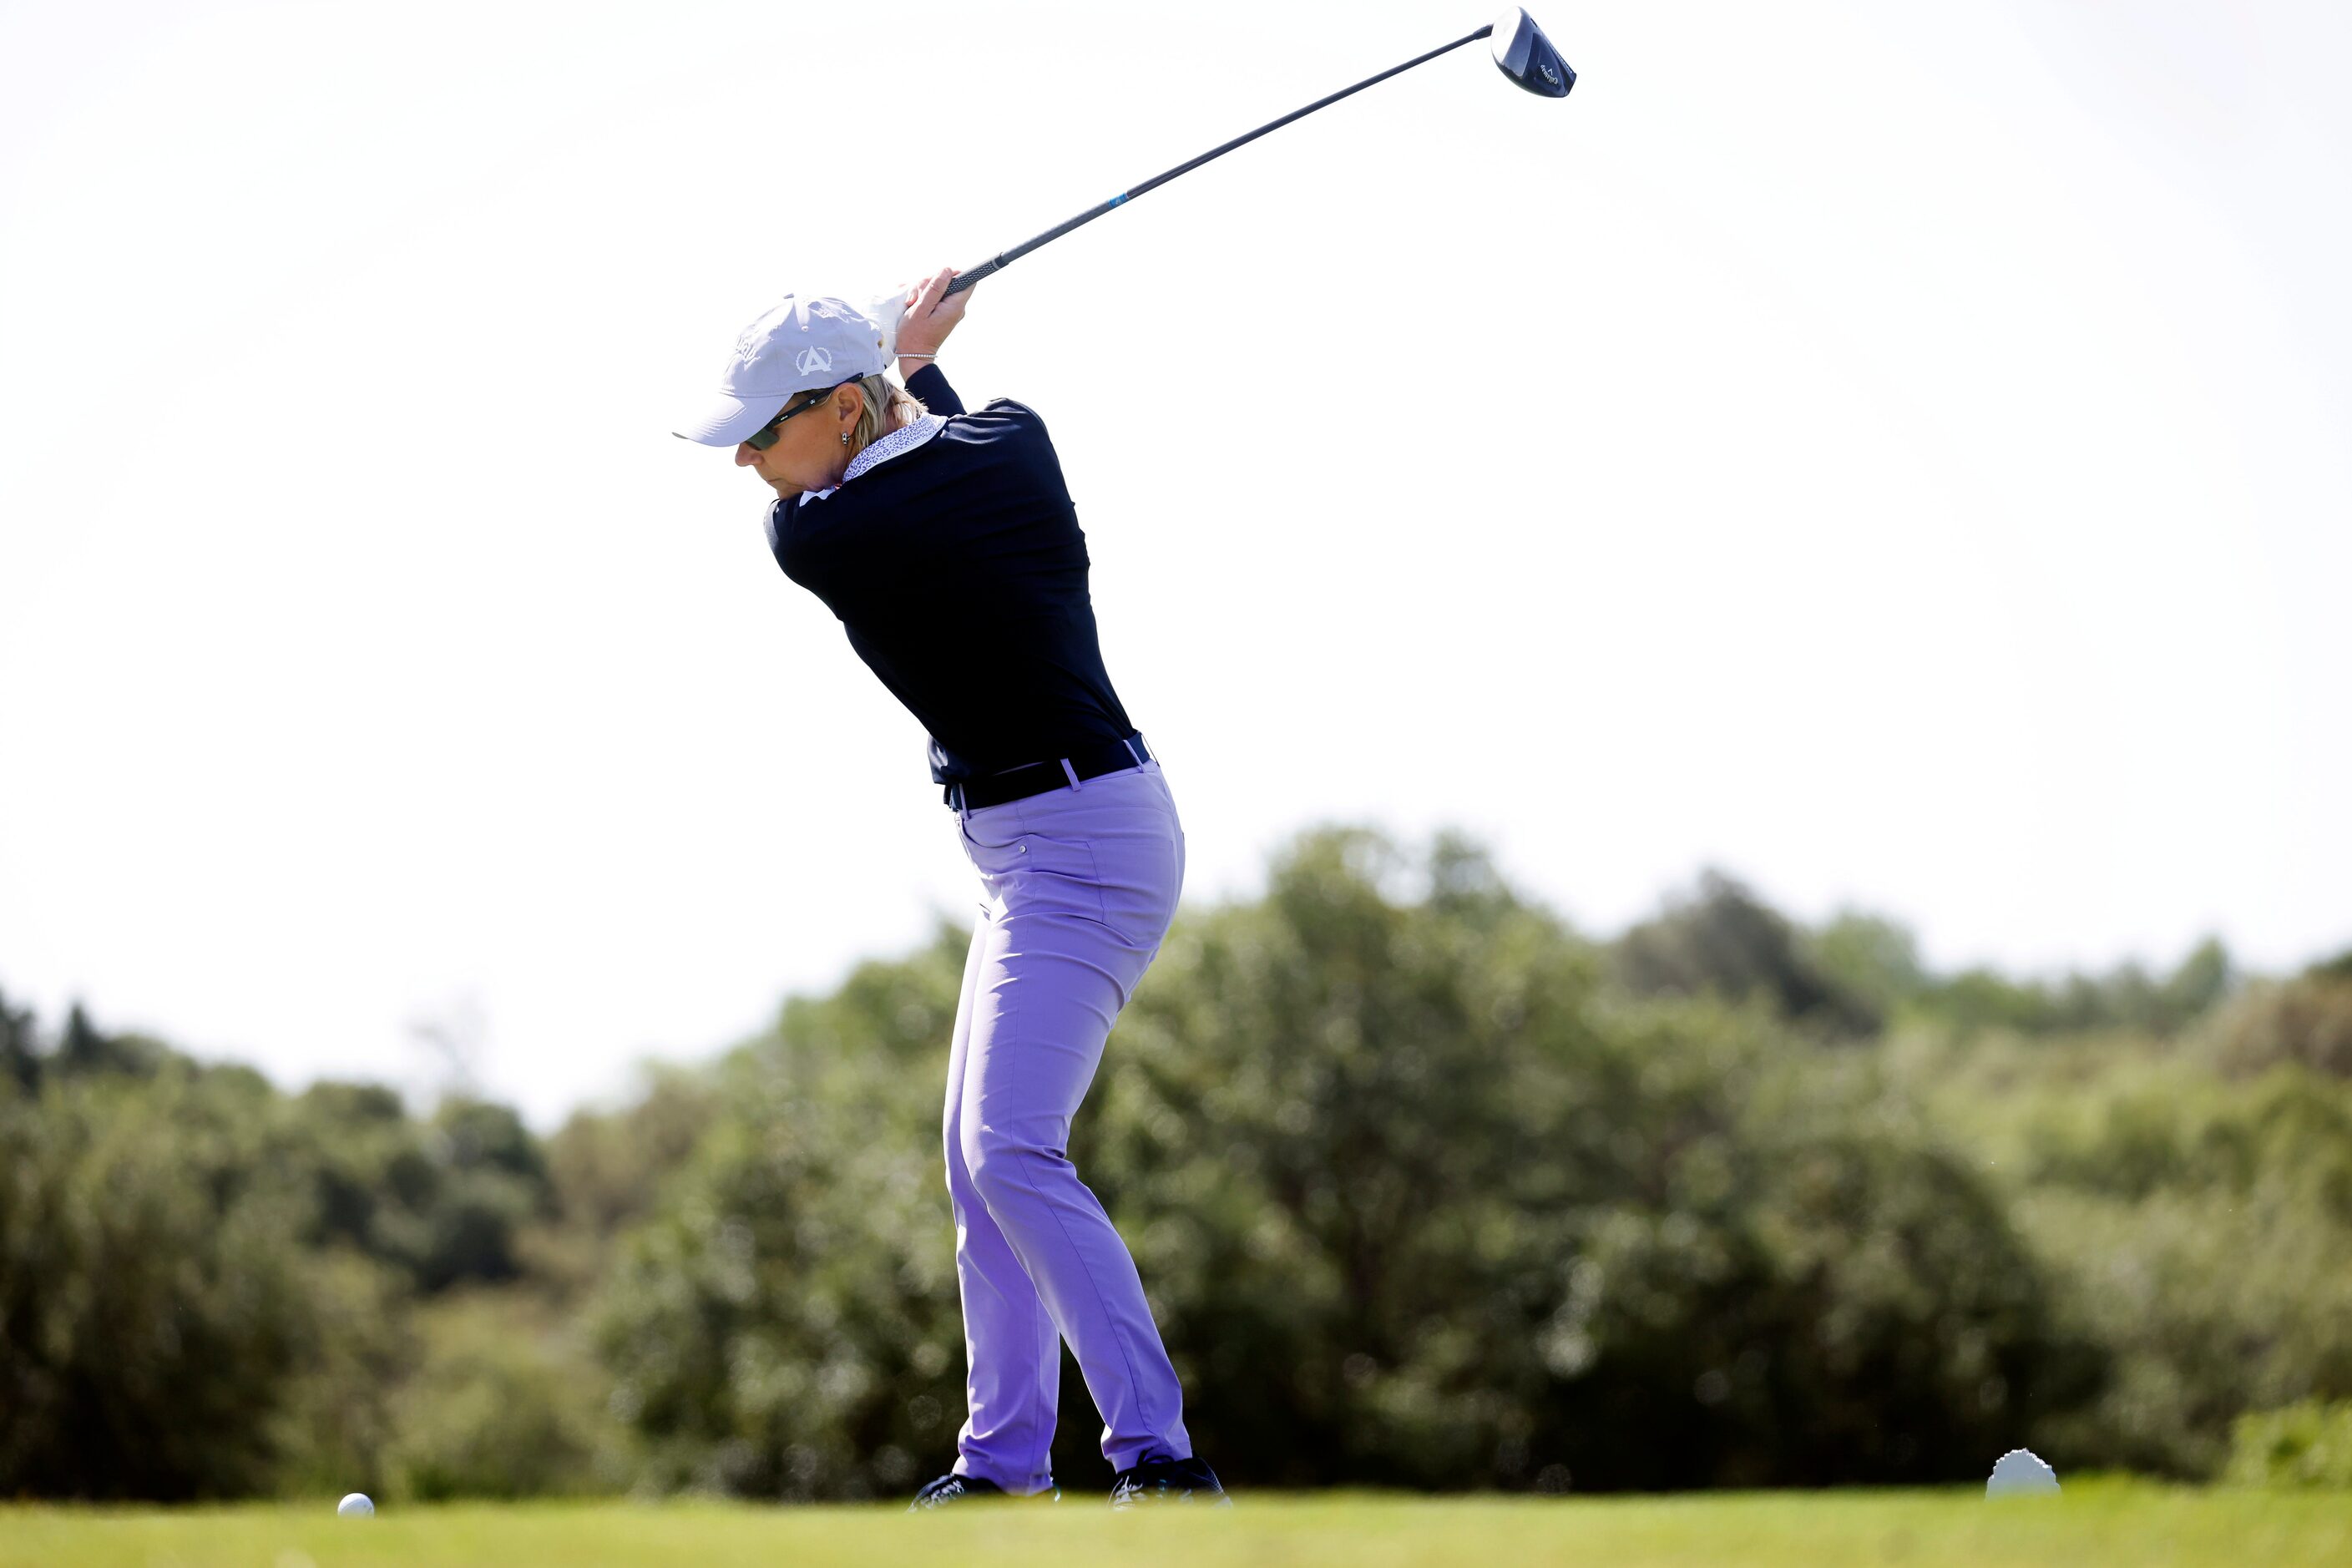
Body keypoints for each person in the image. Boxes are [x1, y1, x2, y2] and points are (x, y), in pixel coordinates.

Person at [674, 269, 1227, 1510]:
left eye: (769, 429)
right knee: (977, 1162)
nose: (751, 459)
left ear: (843, 411)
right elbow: (953, 448)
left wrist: (904, 359)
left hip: (1087, 840)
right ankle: (1001, 1465)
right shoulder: (1011, 446)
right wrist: (914, 362)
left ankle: (1162, 1459)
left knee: (1011, 1148)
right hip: (1031, 845)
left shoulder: (821, 535)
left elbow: (925, 466)